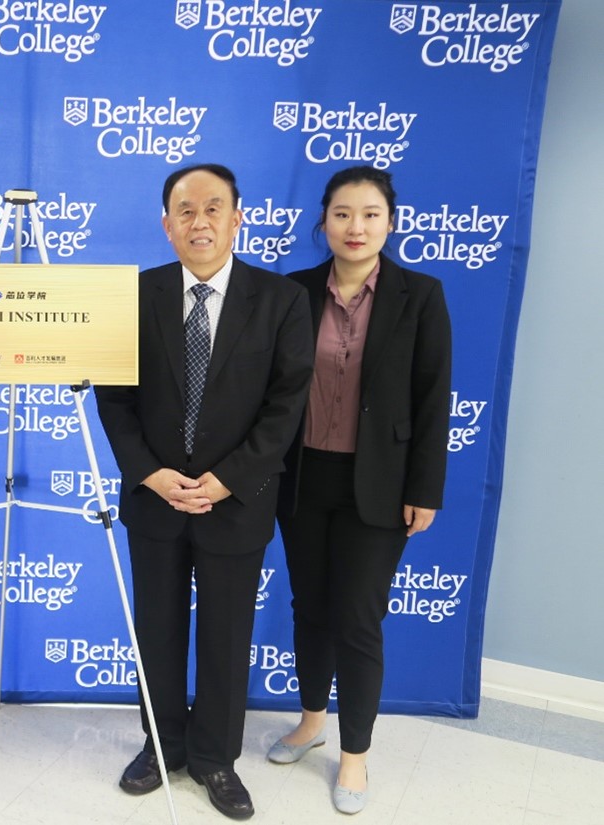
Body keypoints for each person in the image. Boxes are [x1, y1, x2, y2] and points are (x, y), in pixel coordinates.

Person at [96, 163, 314, 820]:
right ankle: (161, 746)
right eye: (185, 210)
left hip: (237, 499)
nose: (200, 221)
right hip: (154, 497)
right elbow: (115, 399)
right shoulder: (134, 296)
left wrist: (227, 478)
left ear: (237, 216)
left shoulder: (281, 301)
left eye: (213, 207)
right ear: (167, 224)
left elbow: (285, 405)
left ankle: (216, 755)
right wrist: (152, 473)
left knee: (226, 632)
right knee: (156, 629)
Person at [267, 166, 452, 814]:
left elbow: (434, 400)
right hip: (302, 478)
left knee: (356, 618)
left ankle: (354, 756)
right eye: (343, 213)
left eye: (370, 213)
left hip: (379, 486)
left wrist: (426, 487)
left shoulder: (420, 295)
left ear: (390, 222)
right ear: (323, 222)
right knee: (309, 607)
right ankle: (311, 720)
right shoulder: (291, 294)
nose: (356, 226)